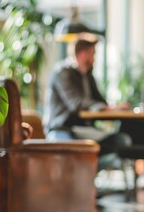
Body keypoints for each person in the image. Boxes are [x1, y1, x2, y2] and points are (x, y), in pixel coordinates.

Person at [43, 38, 131, 169]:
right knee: (74, 154)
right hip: (61, 128)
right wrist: (104, 108)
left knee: (122, 140)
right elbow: (75, 103)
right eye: (93, 53)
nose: (94, 58)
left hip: (84, 130)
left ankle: (87, 175)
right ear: (83, 54)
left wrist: (113, 108)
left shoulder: (88, 76)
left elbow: (100, 101)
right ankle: (81, 178)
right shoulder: (62, 72)